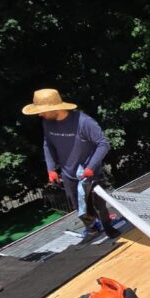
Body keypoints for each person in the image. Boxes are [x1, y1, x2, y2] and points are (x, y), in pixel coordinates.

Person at [22, 88, 120, 239]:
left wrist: (91, 167)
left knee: (98, 203)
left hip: (89, 171)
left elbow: (103, 144)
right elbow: (48, 145)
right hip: (68, 173)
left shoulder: (84, 122)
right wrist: (51, 169)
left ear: (55, 108)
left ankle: (108, 226)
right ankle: (92, 228)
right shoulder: (47, 123)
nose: (40, 114)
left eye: (42, 111)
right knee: (78, 205)